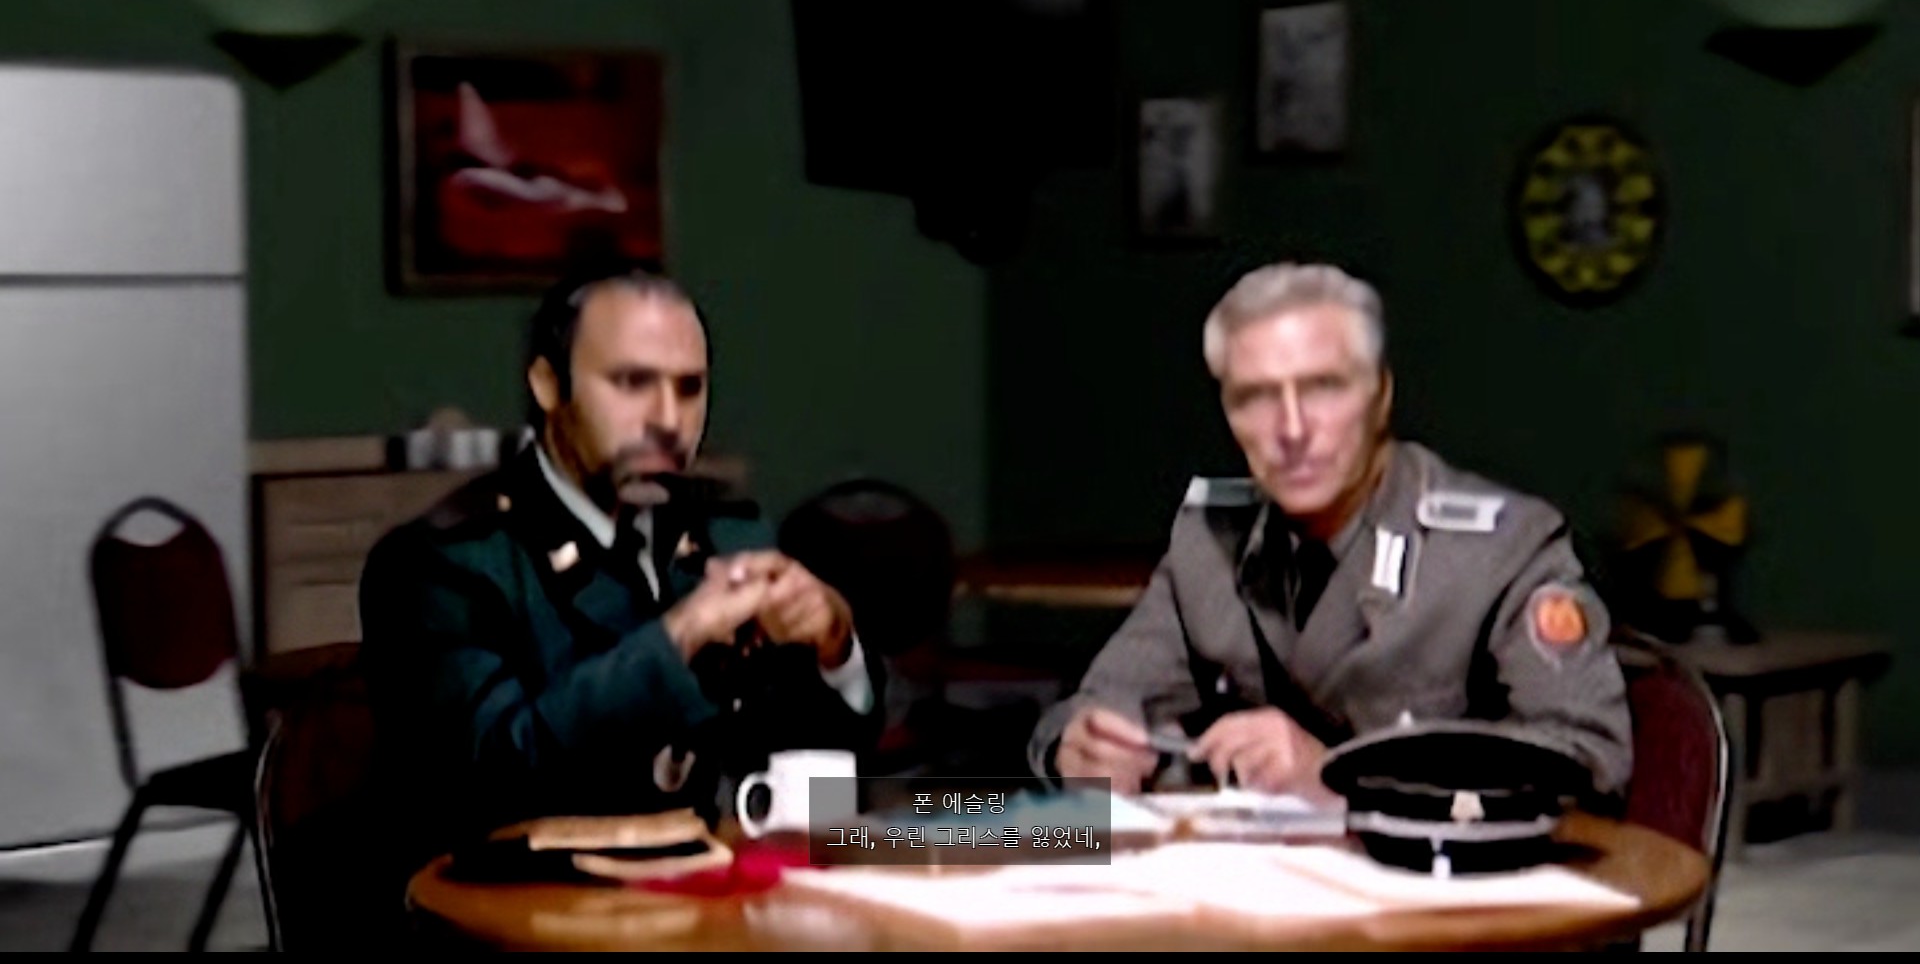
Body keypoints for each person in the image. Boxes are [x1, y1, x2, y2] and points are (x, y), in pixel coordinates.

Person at [1028, 262, 1632, 799]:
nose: (1291, 429)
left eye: (1323, 388)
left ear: (1381, 396)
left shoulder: (1498, 552)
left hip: (1441, 882)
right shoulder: (1208, 544)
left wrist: (1343, 785)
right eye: (1256, 397)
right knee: (990, 842)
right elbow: (1104, 702)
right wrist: (1080, 750)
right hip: (1252, 882)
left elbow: (1592, 763)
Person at [360, 266, 881, 880]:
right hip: (525, 905)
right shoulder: (447, 562)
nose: (669, 419)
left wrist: (835, 648)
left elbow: (815, 769)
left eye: (689, 388)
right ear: (548, 385)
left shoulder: (728, 532)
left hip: (716, 897)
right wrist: (676, 640)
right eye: (633, 383)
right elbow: (490, 781)